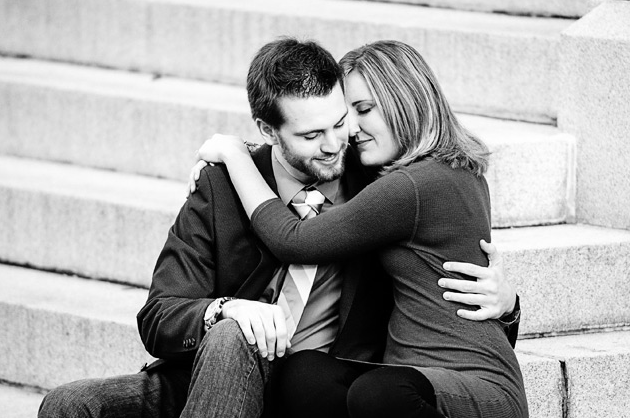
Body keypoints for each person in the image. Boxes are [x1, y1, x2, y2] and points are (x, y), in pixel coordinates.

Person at [37, 38, 520, 418]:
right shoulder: (223, 189)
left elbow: (437, 281)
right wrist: (225, 310)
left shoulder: (378, 177)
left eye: (341, 121)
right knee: (69, 406)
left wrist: (507, 305)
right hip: (216, 380)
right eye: (312, 135)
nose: (337, 143)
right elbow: (159, 315)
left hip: (312, 391)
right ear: (269, 132)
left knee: (244, 344)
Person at [195, 40, 528, 418]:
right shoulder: (440, 173)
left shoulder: (416, 186)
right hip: (407, 376)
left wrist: (237, 159)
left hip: (473, 386)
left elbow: (296, 241)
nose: (350, 130)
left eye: (363, 110)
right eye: (344, 115)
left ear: (404, 100)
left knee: (380, 395)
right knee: (304, 375)